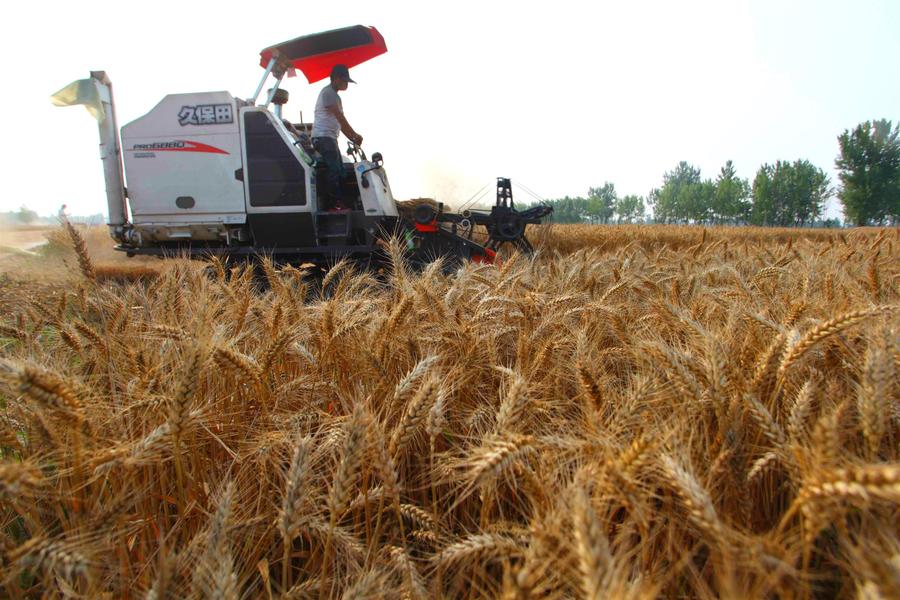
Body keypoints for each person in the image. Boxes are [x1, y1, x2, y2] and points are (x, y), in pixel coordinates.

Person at [311, 64, 364, 211]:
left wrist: (353, 137)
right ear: (335, 78)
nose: (346, 84)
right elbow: (340, 118)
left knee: (342, 171)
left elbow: (340, 123)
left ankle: (341, 202)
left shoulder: (335, 96)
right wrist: (354, 135)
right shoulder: (328, 93)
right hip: (323, 138)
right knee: (334, 170)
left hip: (330, 138)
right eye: (344, 80)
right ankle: (332, 204)